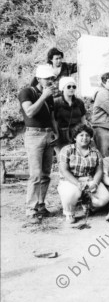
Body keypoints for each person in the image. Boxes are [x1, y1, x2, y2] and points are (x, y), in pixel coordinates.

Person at [19, 64, 58, 223]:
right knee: (35, 174)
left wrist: (55, 132)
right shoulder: (27, 92)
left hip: (48, 133)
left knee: (45, 174)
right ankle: (31, 210)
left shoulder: (48, 95)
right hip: (34, 134)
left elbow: (53, 116)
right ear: (39, 78)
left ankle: (41, 205)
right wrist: (43, 96)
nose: (50, 81)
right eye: (47, 78)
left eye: (52, 78)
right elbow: (29, 112)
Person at [57, 125, 109, 224]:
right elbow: (64, 171)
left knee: (104, 199)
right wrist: (78, 184)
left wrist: (95, 183)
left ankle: (87, 204)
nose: (84, 138)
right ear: (75, 137)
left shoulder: (95, 152)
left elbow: (99, 171)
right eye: (81, 135)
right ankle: (70, 213)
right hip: (70, 180)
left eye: (87, 135)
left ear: (90, 138)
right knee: (70, 194)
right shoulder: (67, 150)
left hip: (89, 179)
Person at [53, 76, 87, 155]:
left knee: (77, 157)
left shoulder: (79, 102)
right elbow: (53, 120)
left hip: (76, 134)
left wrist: (84, 133)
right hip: (61, 135)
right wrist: (56, 134)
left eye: (74, 86)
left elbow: (83, 119)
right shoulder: (56, 102)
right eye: (68, 86)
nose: (71, 88)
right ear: (63, 88)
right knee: (62, 158)